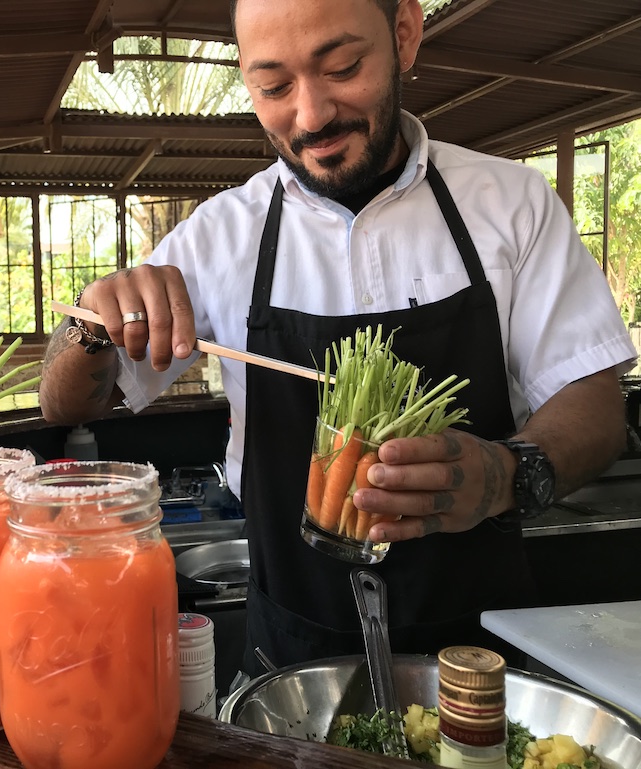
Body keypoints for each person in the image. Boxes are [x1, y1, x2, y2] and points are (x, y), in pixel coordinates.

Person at [39, 0, 637, 674]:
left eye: (342, 67)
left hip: (480, 655)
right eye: (273, 87)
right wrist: (89, 324)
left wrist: (506, 475)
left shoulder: (511, 204)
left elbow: (593, 402)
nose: (311, 114)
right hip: (289, 653)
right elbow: (65, 407)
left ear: (403, 35)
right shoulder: (219, 236)